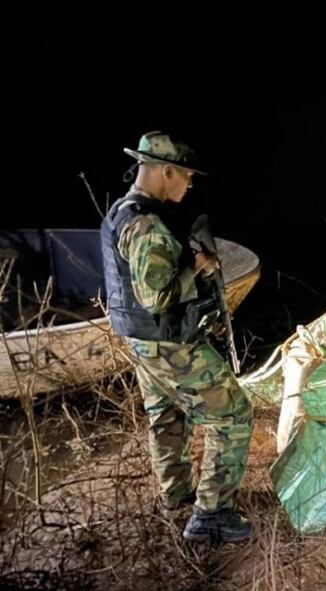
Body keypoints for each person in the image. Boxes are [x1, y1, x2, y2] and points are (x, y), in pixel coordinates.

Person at [100, 131, 254, 543]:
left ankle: (177, 494)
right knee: (233, 414)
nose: (190, 183)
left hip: (141, 342)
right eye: (186, 175)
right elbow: (156, 296)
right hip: (168, 342)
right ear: (166, 171)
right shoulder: (147, 225)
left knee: (167, 414)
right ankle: (212, 514)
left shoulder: (121, 212)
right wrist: (198, 266)